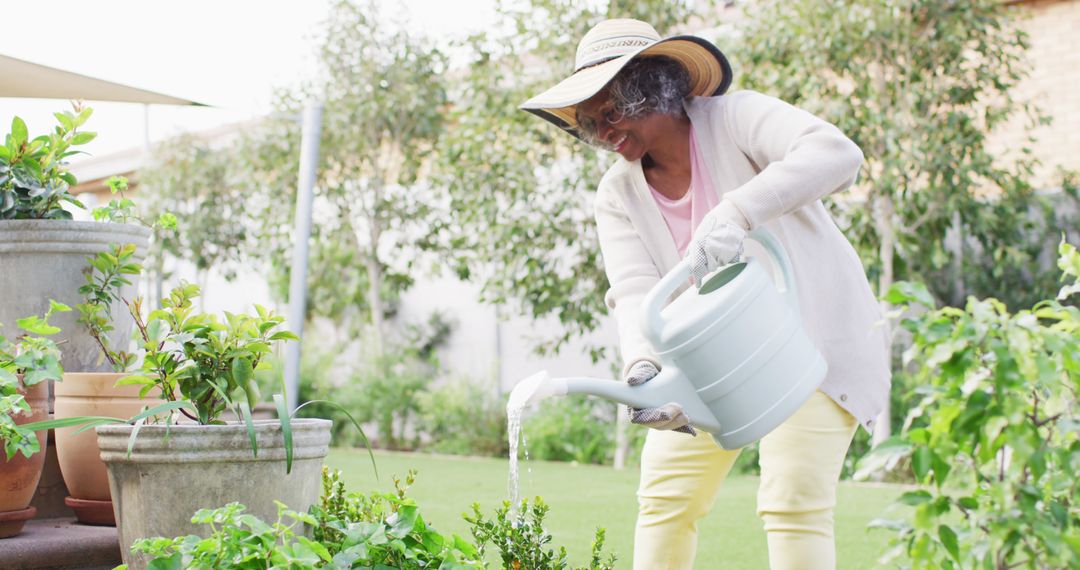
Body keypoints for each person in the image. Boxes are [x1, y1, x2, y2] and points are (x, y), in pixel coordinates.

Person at [520, 18, 891, 570]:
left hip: (813, 345)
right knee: (665, 499)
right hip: (707, 364)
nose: (605, 133)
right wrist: (644, 370)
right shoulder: (617, 192)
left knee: (793, 503)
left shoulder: (736, 119)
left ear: (656, 89)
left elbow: (837, 154)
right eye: (593, 124)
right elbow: (633, 290)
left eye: (613, 112)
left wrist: (738, 212)